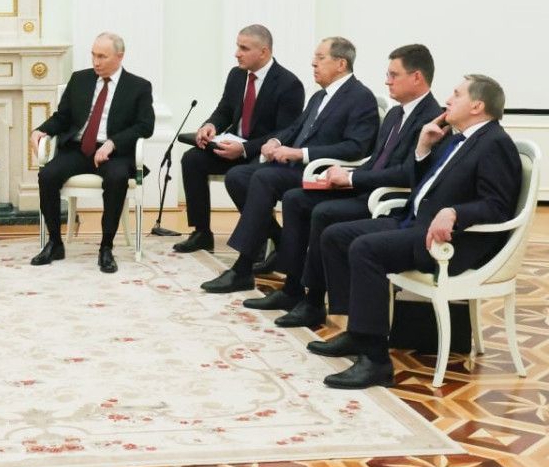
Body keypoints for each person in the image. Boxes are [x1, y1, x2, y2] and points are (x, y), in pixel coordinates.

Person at [313, 74, 521, 389]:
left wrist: (455, 213)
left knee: (366, 249)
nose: (447, 100)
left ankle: (375, 361)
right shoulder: (456, 137)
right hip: (414, 221)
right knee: (335, 235)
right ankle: (358, 331)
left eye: (456, 94)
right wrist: (423, 147)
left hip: (451, 242)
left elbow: (497, 206)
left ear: (477, 106)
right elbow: (423, 183)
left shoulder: (495, 143)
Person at [267, 44, 441, 327]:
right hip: (366, 188)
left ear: (417, 77)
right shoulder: (396, 114)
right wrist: (345, 173)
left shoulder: (431, 119)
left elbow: (406, 174)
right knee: (296, 199)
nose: (387, 81)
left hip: (386, 199)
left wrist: (351, 179)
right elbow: (376, 160)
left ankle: (315, 303)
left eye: (393, 75)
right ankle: (292, 288)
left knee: (324, 214)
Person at [200, 36, 378, 293]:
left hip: (321, 172)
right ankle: (281, 242)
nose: (313, 63)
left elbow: (356, 147)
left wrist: (299, 153)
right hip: (297, 168)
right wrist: (275, 141)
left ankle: (243, 267)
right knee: (238, 176)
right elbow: (295, 128)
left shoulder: (361, 97)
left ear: (341, 64)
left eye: (320, 58)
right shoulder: (320, 96)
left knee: (264, 178)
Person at [29, 32, 155, 274]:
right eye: (93, 55)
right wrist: (40, 130)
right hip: (78, 149)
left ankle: (106, 247)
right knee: (47, 175)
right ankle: (55, 243)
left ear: (119, 56)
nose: (96, 62)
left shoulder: (138, 87)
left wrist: (113, 143)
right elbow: (62, 117)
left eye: (102, 57)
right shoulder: (80, 79)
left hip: (114, 153)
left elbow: (145, 126)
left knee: (117, 178)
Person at [174, 24, 304, 254]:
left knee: (241, 177)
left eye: (244, 48)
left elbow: (285, 133)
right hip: (231, 146)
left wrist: (243, 149)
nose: (237, 53)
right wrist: (210, 125)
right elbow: (224, 109)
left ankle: (266, 236)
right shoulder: (237, 75)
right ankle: (202, 233)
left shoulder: (289, 84)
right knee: (192, 159)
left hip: (261, 154)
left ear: (263, 52)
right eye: (237, 46)